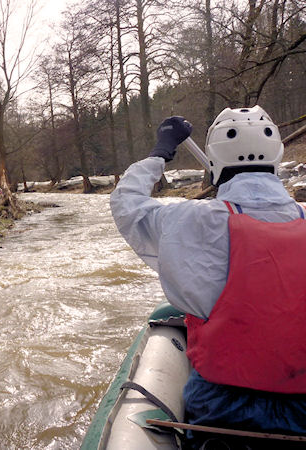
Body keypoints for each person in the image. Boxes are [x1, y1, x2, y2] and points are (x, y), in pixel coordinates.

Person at [109, 106, 306, 447]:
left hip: (221, 407)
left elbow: (127, 205)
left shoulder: (190, 222)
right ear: (277, 156)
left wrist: (160, 153)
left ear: (214, 161)